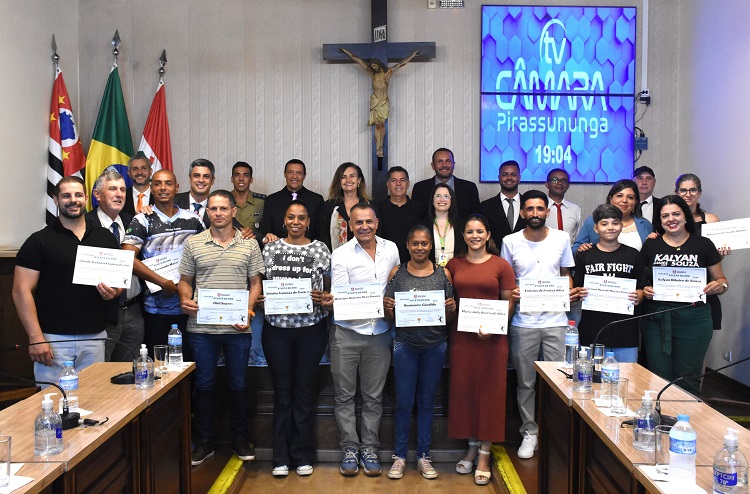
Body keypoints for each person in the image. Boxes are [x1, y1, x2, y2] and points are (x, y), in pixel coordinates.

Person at [177, 190, 263, 466]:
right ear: (207, 212)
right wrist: (184, 298)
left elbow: (255, 284)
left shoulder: (249, 245)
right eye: (213, 209)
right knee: (204, 385)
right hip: (202, 329)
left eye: (223, 208)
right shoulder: (194, 243)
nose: (218, 213)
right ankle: (205, 441)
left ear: (233, 211)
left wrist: (250, 312)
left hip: (238, 328)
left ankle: (239, 438)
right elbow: (185, 280)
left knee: (238, 385)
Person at [13, 176, 122, 384]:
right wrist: (36, 337)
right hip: (53, 340)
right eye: (66, 196)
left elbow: (117, 282)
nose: (73, 200)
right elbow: (20, 291)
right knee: (54, 404)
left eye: (78, 195)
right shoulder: (38, 241)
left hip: (95, 336)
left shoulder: (105, 237)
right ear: (55, 200)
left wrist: (114, 291)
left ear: (87, 198)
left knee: (94, 403)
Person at [258, 200, 331, 477]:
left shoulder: (321, 249)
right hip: (276, 329)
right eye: (291, 217)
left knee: (304, 392)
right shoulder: (270, 249)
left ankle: (302, 455)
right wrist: (262, 299)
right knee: (282, 393)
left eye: (301, 217)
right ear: (284, 220)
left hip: (311, 329)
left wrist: (323, 297)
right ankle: (280, 457)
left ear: (309, 221)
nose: (296, 222)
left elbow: (329, 290)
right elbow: (258, 285)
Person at [326, 203, 400, 477]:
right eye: (359, 223)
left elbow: (397, 283)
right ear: (350, 225)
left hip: (380, 334)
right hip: (346, 333)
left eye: (369, 221)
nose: (364, 227)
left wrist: (391, 303)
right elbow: (340, 295)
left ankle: (369, 448)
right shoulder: (341, 254)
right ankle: (349, 448)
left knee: (373, 398)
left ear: (377, 222)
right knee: (344, 396)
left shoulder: (391, 249)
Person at [500, 190, 575, 460]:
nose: (535, 213)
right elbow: (505, 280)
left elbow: (566, 275)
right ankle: (529, 432)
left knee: (559, 381)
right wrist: (512, 293)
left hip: (556, 321)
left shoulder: (561, 238)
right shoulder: (510, 241)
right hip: (523, 322)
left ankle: (556, 431)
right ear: (522, 213)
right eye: (529, 209)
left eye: (539, 209)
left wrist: (568, 292)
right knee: (525, 382)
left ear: (547, 212)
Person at [382, 225, 456, 480]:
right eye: (416, 243)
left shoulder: (443, 273)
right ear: (407, 245)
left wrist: (451, 307)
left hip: (435, 345)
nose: (420, 248)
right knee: (403, 403)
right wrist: (388, 307)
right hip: (405, 345)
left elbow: (448, 316)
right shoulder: (397, 272)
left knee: (426, 402)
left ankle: (424, 455)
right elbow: (389, 316)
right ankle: (400, 456)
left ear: (431, 246)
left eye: (425, 243)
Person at [447, 215, 516, 485]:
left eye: (479, 231)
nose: (474, 236)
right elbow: (449, 299)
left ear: (488, 235)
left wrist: (493, 326)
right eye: (469, 232)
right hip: (462, 338)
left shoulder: (502, 265)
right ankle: (472, 445)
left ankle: (485, 452)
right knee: (465, 391)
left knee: (491, 392)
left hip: (493, 340)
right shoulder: (454, 264)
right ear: (463, 236)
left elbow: (508, 303)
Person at [640, 195, 728, 394]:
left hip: (694, 320)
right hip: (656, 319)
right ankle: (660, 421)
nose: (671, 219)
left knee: (688, 377)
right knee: (658, 378)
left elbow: (722, 280)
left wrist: (718, 286)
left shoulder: (704, 244)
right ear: (660, 221)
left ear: (686, 216)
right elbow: (641, 280)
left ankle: (685, 422)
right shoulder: (651, 245)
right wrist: (645, 290)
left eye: (676, 214)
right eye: (665, 216)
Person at [122, 169, 205, 353]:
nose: (163, 188)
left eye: (168, 183)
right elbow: (127, 258)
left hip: (189, 308)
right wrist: (161, 282)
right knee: (160, 365)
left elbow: (206, 254)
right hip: (155, 310)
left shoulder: (193, 219)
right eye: (157, 183)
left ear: (176, 187)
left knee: (188, 365)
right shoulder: (142, 220)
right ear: (151, 188)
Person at [85, 169, 144, 362]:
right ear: (97, 194)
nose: (119, 194)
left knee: (130, 373)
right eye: (112, 189)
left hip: (134, 310)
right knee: (100, 371)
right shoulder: (85, 224)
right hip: (102, 311)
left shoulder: (134, 220)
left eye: (122, 190)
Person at [574, 204, 645, 362]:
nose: (610, 227)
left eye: (615, 223)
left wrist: (638, 296)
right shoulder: (585, 255)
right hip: (593, 329)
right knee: (593, 379)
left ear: (621, 226)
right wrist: (580, 292)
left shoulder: (633, 255)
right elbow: (577, 287)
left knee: (628, 378)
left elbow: (642, 288)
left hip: (625, 330)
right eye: (604, 223)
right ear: (596, 228)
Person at [339, 47, 420, 158]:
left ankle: (380, 145)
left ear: (379, 65)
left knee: (382, 125)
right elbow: (358, 60)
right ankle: (378, 148)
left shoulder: (388, 73)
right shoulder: (373, 75)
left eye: (375, 66)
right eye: (372, 67)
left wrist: (412, 55)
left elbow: (401, 64)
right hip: (376, 102)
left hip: (384, 103)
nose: (374, 68)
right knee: (377, 126)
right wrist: (346, 52)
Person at [675, 172, 728, 330]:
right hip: (675, 286)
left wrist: (721, 254)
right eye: (683, 190)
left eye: (693, 190)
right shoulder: (669, 220)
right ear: (676, 192)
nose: (688, 194)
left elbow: (714, 260)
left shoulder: (711, 220)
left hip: (703, 286)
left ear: (699, 193)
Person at [573, 179, 653, 253]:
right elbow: (575, 250)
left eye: (630, 197)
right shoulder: (593, 220)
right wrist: (581, 249)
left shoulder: (645, 224)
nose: (624, 200)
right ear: (611, 199)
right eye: (619, 196)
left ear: (635, 202)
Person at [262, 159, 324, 245]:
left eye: (299, 173)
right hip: (279, 251)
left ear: (304, 176)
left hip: (308, 250)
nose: (294, 176)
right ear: (285, 174)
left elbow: (321, 234)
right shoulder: (271, 200)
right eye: (290, 172)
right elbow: (265, 232)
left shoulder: (317, 200)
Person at [411, 148, 481, 220]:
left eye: (448, 161)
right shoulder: (419, 188)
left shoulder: (469, 188)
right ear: (433, 166)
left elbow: (476, 219)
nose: (444, 165)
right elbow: (416, 218)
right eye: (440, 161)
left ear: (453, 164)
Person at [318, 162, 374, 251]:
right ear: (339, 182)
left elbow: (378, 235)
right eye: (343, 177)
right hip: (337, 260)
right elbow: (323, 237)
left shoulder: (371, 206)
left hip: (366, 259)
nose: (348, 180)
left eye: (352, 176)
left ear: (359, 180)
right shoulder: (328, 206)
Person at [376, 166, 425, 262]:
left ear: (408, 184)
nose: (398, 184)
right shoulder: (378, 208)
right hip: (384, 261)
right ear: (388, 184)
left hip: (413, 262)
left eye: (402, 180)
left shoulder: (420, 208)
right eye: (394, 180)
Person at [480, 159, 526, 249]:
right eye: (505, 175)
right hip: (495, 258)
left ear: (519, 178)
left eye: (513, 174)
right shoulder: (486, 206)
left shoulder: (529, 205)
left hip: (525, 257)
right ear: (499, 178)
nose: (509, 178)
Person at [422, 183, 465, 266]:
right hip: (430, 272)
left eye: (446, 196)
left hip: (456, 271)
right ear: (432, 200)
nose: (442, 200)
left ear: (451, 201)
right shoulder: (423, 225)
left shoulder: (461, 225)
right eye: (438, 196)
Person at [544, 168, 582, 243]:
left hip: (569, 253)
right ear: (547, 184)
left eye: (564, 180)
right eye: (555, 180)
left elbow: (579, 239)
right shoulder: (539, 209)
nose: (559, 183)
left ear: (568, 186)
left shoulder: (575, 209)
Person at [174, 158, 216, 226]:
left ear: (212, 180)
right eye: (196, 175)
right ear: (189, 178)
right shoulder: (173, 202)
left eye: (206, 176)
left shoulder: (218, 205)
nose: (201, 180)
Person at [231, 161, 266, 239]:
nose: (241, 179)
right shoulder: (223, 201)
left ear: (251, 180)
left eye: (246, 175)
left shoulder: (262, 202)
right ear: (232, 179)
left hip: (255, 247)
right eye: (237, 175)